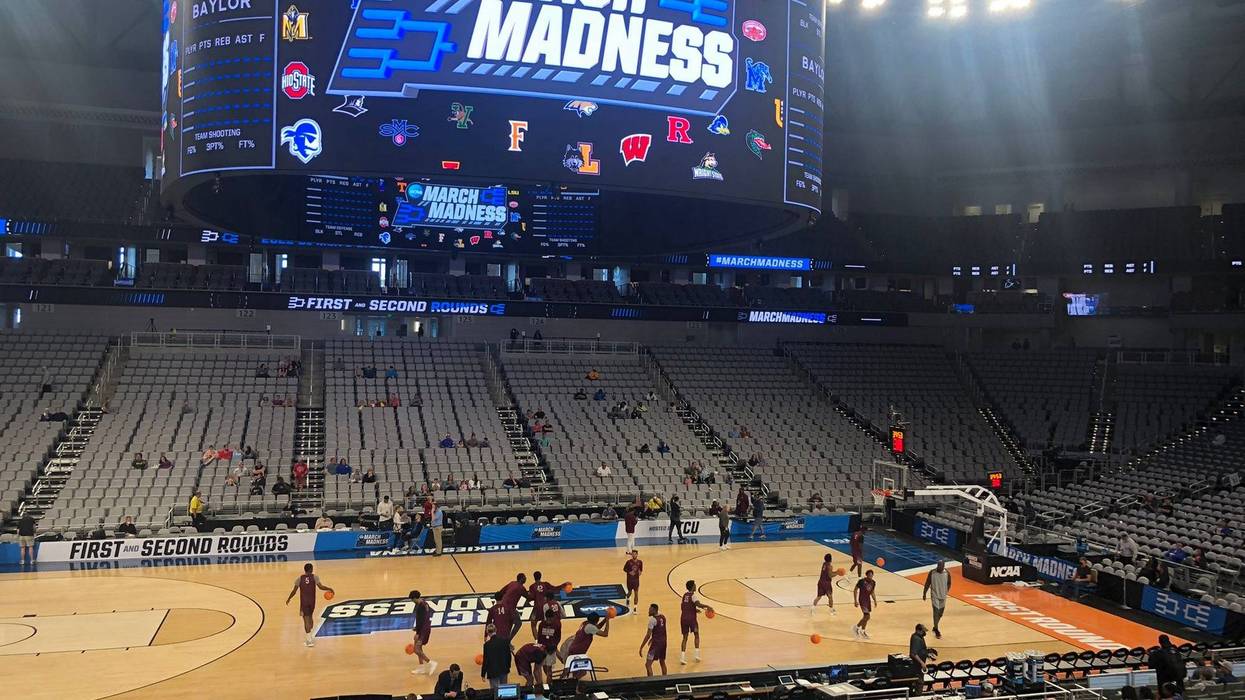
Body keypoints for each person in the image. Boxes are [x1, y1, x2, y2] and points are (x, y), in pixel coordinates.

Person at [286, 562, 334, 647]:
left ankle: (309, 640)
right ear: (311, 569)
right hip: (312, 602)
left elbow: (294, 591)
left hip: (304, 602)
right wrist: (329, 588)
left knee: (306, 620)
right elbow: (321, 587)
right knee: (310, 618)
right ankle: (310, 634)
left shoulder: (299, 578)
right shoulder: (315, 577)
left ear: (305, 570)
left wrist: (289, 598)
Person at [678, 579, 711, 665]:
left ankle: (682, 658)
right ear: (692, 587)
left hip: (683, 618)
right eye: (695, 585)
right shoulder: (693, 596)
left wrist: (694, 610)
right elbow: (698, 604)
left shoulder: (684, 596)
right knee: (696, 635)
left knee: (685, 638)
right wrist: (708, 606)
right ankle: (696, 655)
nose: (696, 586)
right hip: (691, 619)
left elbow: (684, 607)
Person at [526, 571, 568, 639]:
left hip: (537, 607)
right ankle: (548, 638)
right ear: (541, 576)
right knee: (546, 624)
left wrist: (527, 596)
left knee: (533, 624)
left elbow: (531, 597)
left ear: (534, 577)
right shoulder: (545, 584)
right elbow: (555, 589)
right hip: (546, 606)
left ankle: (537, 641)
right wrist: (562, 585)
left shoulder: (532, 586)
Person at [407, 589, 437, 675]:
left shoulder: (420, 607)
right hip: (423, 628)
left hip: (423, 630)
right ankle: (421, 668)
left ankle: (431, 663)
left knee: (416, 650)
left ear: (415, 598)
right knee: (419, 648)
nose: (412, 602)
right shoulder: (424, 603)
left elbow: (421, 620)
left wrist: (418, 632)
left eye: (412, 600)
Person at [922, 560, 952, 638]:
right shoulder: (932, 572)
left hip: (943, 595)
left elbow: (949, 583)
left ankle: (935, 627)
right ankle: (937, 630)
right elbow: (927, 583)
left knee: (940, 613)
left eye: (941, 566)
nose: (940, 567)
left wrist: (946, 590)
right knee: (936, 612)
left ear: (944, 566)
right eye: (938, 565)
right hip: (934, 595)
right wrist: (924, 593)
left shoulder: (947, 573)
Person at [639, 602, 669, 677]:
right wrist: (653, 637)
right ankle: (665, 680)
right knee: (662, 662)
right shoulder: (663, 616)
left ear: (654, 610)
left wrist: (641, 647)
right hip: (664, 642)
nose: (648, 611)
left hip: (656, 645)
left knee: (648, 664)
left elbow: (648, 635)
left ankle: (651, 682)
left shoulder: (652, 620)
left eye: (650, 610)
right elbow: (660, 630)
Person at [481, 624, 512, 689]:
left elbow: (486, 660)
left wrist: (483, 674)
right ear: (496, 630)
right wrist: (508, 666)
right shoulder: (504, 641)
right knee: (504, 689)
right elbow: (509, 655)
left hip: (493, 671)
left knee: (495, 691)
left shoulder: (487, 645)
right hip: (504, 669)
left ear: (487, 632)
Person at [908, 624, 935, 694]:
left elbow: (921, 650)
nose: (925, 633)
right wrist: (922, 663)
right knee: (919, 682)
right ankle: (918, 695)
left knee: (920, 681)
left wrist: (928, 653)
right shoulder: (916, 639)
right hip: (916, 666)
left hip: (919, 665)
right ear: (918, 630)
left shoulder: (920, 637)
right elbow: (913, 654)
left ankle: (919, 694)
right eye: (923, 631)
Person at [853, 569, 879, 639]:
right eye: (869, 575)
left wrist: (875, 600)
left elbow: (872, 592)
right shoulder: (861, 581)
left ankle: (862, 630)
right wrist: (855, 600)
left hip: (868, 600)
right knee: (867, 616)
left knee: (866, 617)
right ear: (866, 575)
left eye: (871, 575)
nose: (870, 577)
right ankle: (857, 627)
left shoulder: (873, 582)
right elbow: (855, 590)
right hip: (862, 600)